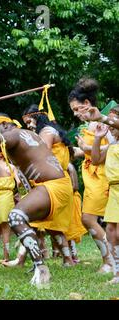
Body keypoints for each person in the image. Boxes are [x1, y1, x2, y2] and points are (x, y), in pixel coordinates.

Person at [0, 112, 74, 287]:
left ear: (4, 124)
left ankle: (41, 267)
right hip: (54, 185)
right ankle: (37, 263)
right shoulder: (22, 133)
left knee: (16, 217)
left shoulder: (13, 134)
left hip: (51, 185)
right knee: (27, 221)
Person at [22, 104, 85, 266]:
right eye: (26, 123)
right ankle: (68, 259)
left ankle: (24, 260)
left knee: (26, 218)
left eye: (29, 121)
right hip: (56, 181)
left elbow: (40, 154)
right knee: (52, 225)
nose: (28, 125)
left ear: (37, 117)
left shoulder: (47, 132)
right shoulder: (51, 132)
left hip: (54, 182)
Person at [68, 78, 114, 273]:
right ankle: (109, 259)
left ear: (87, 104)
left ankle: (110, 260)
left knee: (88, 219)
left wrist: (87, 147)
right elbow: (87, 152)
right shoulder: (88, 125)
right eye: (74, 111)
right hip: (91, 175)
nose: (76, 114)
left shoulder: (98, 123)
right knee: (97, 220)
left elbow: (113, 145)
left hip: (101, 176)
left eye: (78, 109)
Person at [90, 112, 119, 284]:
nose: (111, 126)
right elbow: (95, 160)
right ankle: (117, 273)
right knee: (110, 232)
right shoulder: (112, 145)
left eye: (114, 121)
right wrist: (97, 138)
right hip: (114, 190)